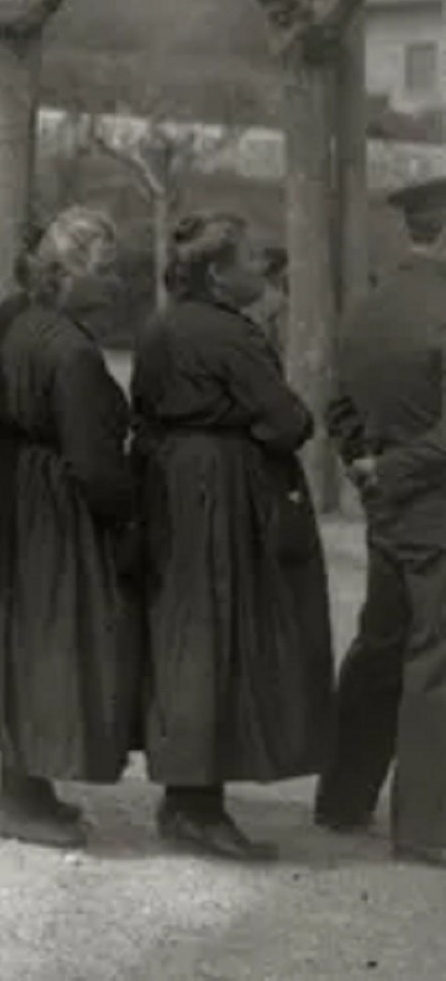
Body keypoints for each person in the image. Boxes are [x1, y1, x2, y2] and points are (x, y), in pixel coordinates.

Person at [132, 212, 331, 861]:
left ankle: (185, 796)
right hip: (220, 491)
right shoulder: (227, 335)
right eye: (251, 260)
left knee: (185, 633)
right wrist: (253, 435)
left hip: (168, 481)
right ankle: (197, 808)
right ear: (217, 273)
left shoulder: (161, 325)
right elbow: (290, 420)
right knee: (220, 635)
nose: (263, 269)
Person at [0, 208, 143, 849]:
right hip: (54, 508)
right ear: (67, 273)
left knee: (18, 639)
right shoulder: (74, 351)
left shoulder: (10, 317)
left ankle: (27, 786)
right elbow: (93, 463)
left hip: (8, 491)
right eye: (105, 271)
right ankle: (21, 797)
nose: (115, 285)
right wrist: (126, 515)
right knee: (52, 640)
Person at [319, 178, 446, 870]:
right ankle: (427, 828)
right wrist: (393, 475)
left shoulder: (366, 306)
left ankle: (340, 797)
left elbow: (339, 409)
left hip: (389, 512)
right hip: (433, 507)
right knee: (434, 662)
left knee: (379, 646)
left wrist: (370, 475)